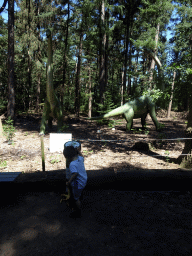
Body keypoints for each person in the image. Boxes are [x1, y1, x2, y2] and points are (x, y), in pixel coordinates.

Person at [63, 145, 87, 218]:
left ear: (68, 157)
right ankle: (80, 196)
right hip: (84, 179)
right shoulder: (80, 158)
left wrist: (69, 182)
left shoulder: (72, 164)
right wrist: (79, 151)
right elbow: (83, 156)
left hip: (78, 183)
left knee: (75, 198)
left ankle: (77, 211)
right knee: (79, 193)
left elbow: (75, 174)